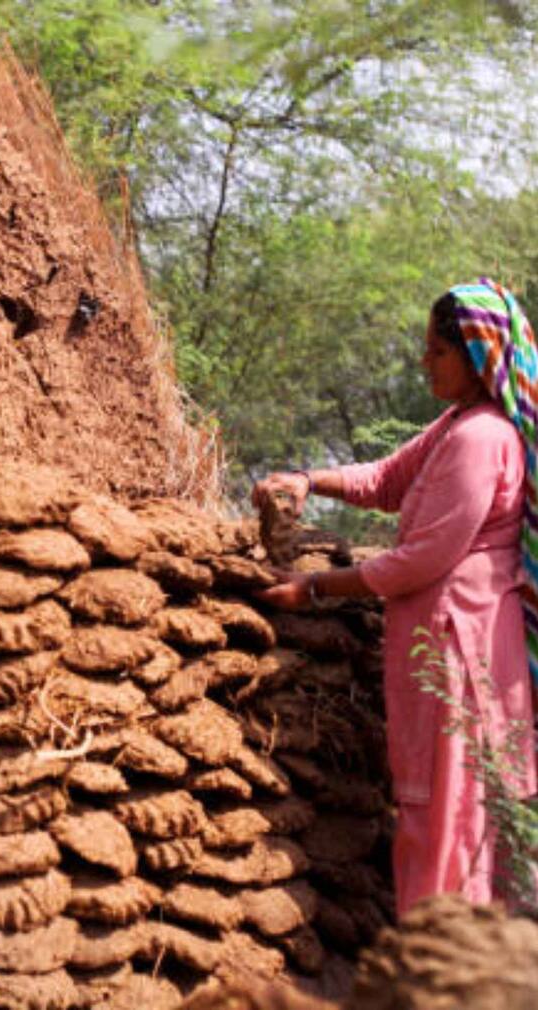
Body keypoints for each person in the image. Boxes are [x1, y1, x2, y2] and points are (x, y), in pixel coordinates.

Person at [252, 278, 537, 917]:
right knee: (441, 809)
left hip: (462, 654)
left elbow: (423, 559)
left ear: (476, 357)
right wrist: (306, 478)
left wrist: (317, 585)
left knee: (452, 818)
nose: (424, 362)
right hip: (448, 644)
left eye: (436, 351)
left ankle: (445, 972)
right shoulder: (456, 425)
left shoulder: (482, 438)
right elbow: (384, 478)